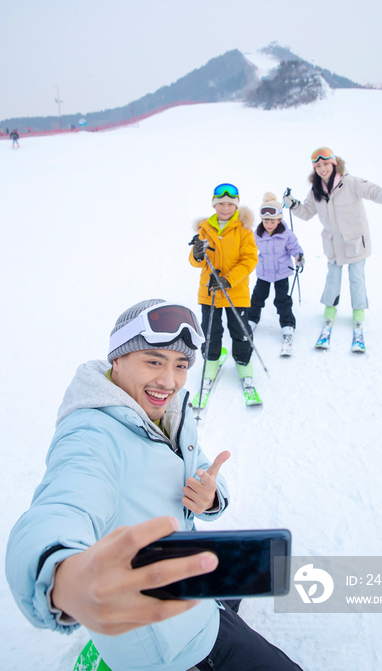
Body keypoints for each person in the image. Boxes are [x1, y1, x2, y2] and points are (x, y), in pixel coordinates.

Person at [6, 299, 302, 671]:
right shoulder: (90, 436)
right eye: (153, 361)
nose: (169, 381)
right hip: (177, 645)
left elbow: (202, 466)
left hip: (187, 579)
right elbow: (59, 508)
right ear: (118, 359)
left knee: (232, 577)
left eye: (181, 366)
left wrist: (210, 496)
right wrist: (63, 578)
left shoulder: (170, 411)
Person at [283, 147, 382, 350]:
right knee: (332, 278)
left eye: (326, 164)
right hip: (333, 244)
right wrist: (293, 204)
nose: (322, 169)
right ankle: (330, 311)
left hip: (355, 241)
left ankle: (358, 313)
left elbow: (373, 191)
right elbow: (306, 213)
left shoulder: (351, 182)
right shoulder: (316, 190)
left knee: (357, 277)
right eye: (318, 166)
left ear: (334, 164)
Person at [189, 183, 258, 395]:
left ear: (236, 205)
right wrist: (197, 253)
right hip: (209, 293)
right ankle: (211, 362)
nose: (225, 208)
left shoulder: (244, 229)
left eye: (230, 204)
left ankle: (244, 365)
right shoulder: (204, 228)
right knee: (211, 332)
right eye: (221, 204)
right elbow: (196, 262)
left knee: (240, 331)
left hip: (236, 292)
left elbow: (249, 260)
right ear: (214, 205)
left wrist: (228, 281)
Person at [249, 192, 304, 355]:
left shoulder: (286, 234)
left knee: (282, 300)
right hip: (264, 272)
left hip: (281, 273)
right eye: (266, 220)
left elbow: (295, 247)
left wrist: (299, 256)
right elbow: (249, 249)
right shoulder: (258, 233)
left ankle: (287, 325)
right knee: (258, 297)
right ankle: (251, 320)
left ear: (279, 219)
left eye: (272, 220)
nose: (269, 224)